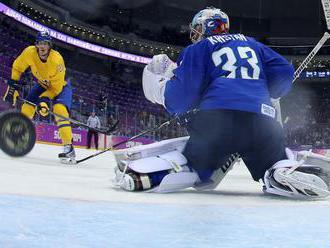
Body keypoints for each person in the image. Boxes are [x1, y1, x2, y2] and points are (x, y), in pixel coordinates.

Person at [113, 7, 330, 199]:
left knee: (194, 166)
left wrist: (162, 90)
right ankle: (281, 172)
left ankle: (149, 173)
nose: (194, 33)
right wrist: (266, 92)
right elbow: (285, 72)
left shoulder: (199, 49)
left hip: (218, 123)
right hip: (263, 123)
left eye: (197, 28)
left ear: (205, 27)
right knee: (273, 162)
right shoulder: (253, 44)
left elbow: (181, 98)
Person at [3, 30, 76, 163]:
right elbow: (18, 68)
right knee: (27, 107)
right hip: (42, 84)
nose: (42, 46)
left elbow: (56, 88)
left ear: (50, 46)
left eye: (45, 43)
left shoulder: (57, 60)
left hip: (61, 87)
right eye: (40, 43)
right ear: (36, 44)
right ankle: (19, 135)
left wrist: (44, 101)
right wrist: (13, 87)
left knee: (59, 111)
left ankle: (68, 148)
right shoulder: (29, 52)